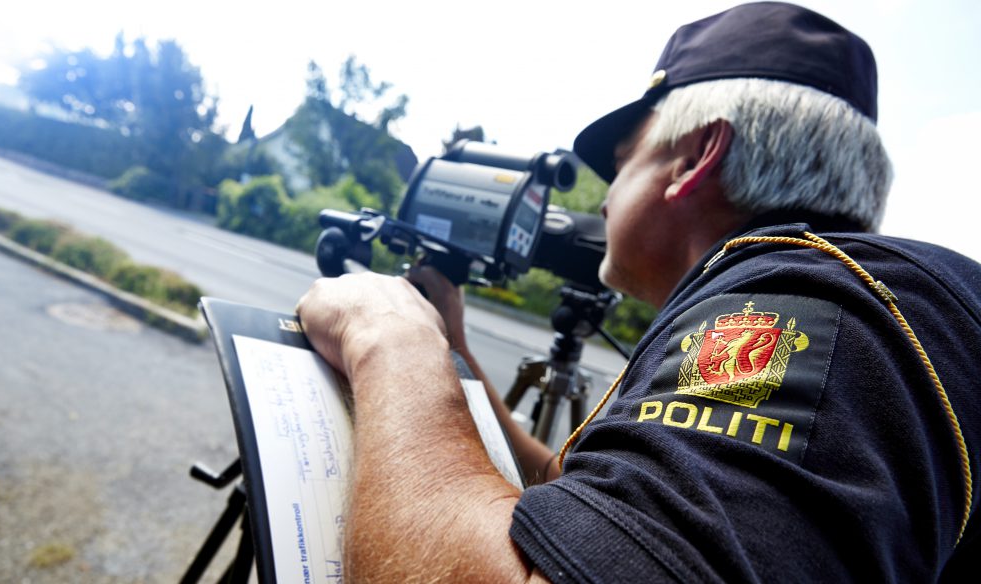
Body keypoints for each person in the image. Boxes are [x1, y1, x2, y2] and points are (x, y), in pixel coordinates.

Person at [297, 2, 980, 581]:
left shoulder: (800, 307)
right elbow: (582, 509)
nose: (606, 198)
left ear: (693, 159)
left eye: (622, 164)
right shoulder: (854, 304)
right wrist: (453, 356)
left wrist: (390, 338)